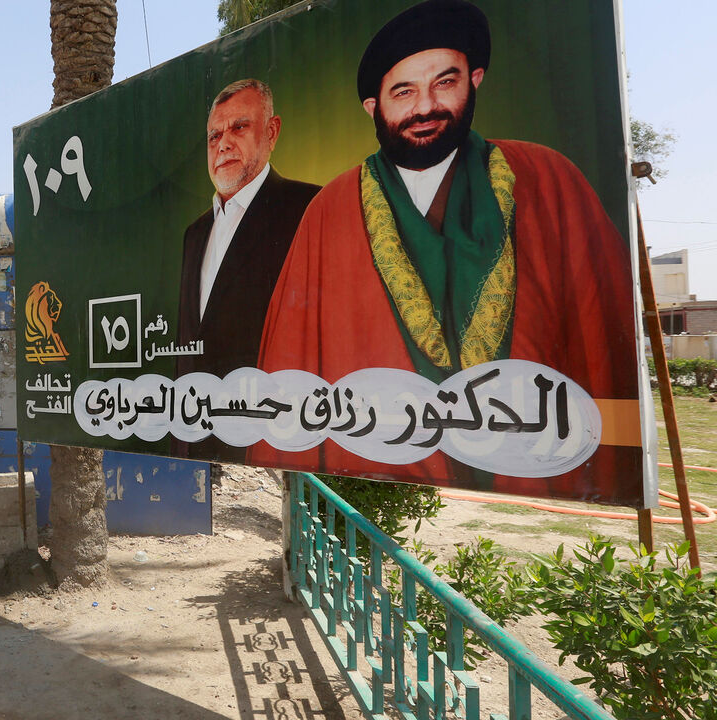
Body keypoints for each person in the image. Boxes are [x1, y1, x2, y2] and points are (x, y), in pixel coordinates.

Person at [251, 0, 640, 504]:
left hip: (542, 476)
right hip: (379, 461)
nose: (425, 106)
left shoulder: (548, 179)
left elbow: (604, 341)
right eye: (404, 91)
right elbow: (290, 367)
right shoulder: (331, 210)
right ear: (374, 106)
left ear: (475, 79)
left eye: (445, 82)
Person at [176, 78, 320, 461]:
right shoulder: (195, 234)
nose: (223, 143)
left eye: (239, 127)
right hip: (197, 437)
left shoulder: (309, 209)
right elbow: (188, 348)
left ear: (271, 132)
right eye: (213, 136)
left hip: (274, 440)